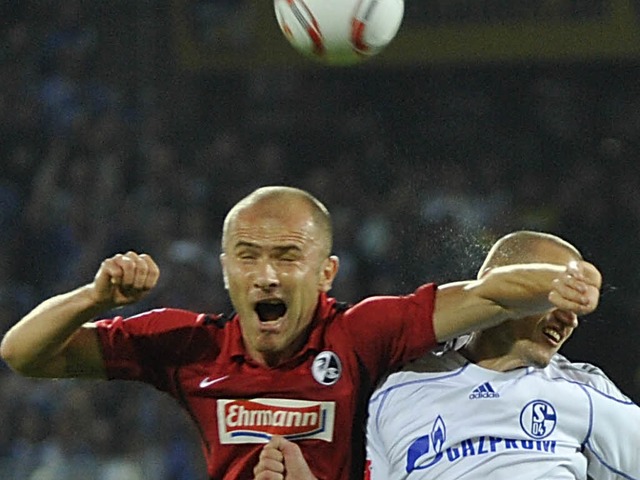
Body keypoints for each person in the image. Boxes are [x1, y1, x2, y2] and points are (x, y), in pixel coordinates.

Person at [0, 187, 600, 480]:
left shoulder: (361, 333)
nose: (266, 276)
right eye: (248, 257)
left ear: (326, 271)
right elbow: (23, 354)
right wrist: (94, 298)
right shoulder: (190, 347)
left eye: (288, 256)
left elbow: (488, 293)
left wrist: (565, 280)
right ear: (225, 267)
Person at [366, 231, 638, 479]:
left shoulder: (586, 392)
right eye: (556, 297)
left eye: (575, 309)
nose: (570, 321)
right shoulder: (395, 389)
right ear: (507, 286)